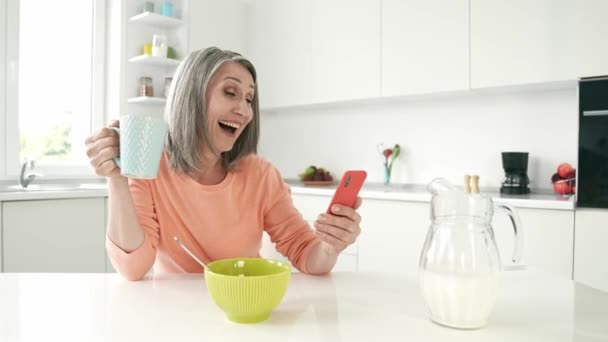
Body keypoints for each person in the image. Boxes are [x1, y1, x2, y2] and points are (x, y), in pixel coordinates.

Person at [84, 47, 363, 281]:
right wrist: (117, 178)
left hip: (243, 307)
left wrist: (329, 247)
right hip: (173, 314)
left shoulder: (261, 175)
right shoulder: (150, 168)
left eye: (249, 98)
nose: (243, 110)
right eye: (230, 92)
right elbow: (133, 269)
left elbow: (306, 255)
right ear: (191, 97)